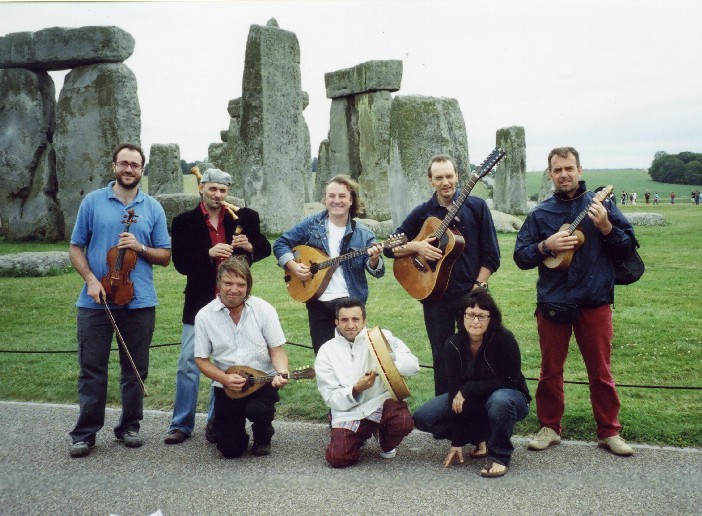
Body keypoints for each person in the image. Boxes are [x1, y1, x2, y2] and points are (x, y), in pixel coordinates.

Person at [513, 146, 637, 457]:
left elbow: (627, 248)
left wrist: (607, 227)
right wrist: (546, 245)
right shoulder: (540, 214)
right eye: (558, 170)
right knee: (550, 370)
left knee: (600, 371)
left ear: (579, 170)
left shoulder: (601, 205)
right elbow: (520, 256)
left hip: (594, 300)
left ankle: (609, 431)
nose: (564, 174)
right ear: (550, 174)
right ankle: (549, 428)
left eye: (569, 168)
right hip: (554, 302)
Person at [68, 143, 172, 458]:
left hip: (138, 302)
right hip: (95, 302)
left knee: (135, 370)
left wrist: (140, 248)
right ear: (114, 166)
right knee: (92, 368)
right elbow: (76, 248)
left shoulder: (152, 207)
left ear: (142, 169)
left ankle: (130, 427)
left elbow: (165, 256)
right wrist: (90, 280)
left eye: (135, 165)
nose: (129, 170)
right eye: (123, 164)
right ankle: (85, 433)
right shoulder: (93, 202)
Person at [165, 168, 271, 445]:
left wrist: (248, 246)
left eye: (223, 190)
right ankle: (181, 423)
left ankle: (216, 420)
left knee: (225, 362)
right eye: (212, 189)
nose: (218, 195)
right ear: (201, 188)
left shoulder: (243, 218)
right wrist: (208, 254)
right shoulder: (184, 221)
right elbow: (180, 263)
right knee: (189, 362)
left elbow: (264, 248)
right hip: (201, 301)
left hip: (235, 302)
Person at [385, 155, 500, 395]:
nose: (445, 182)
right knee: (441, 356)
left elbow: (491, 255)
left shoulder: (477, 207)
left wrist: (478, 285)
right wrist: (417, 246)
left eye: (449, 176)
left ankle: (472, 412)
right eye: (439, 177)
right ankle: (444, 413)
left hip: (470, 295)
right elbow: (389, 247)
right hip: (434, 297)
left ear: (457, 176)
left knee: (475, 353)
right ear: (430, 181)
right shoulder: (423, 213)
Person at [413, 291, 531, 478]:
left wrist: (467, 389)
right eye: (470, 315)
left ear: (491, 318)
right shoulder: (453, 344)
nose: (475, 321)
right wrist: (457, 441)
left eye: (482, 316)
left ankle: (499, 456)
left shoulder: (504, 339)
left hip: (510, 398)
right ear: (462, 317)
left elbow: (509, 381)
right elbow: (454, 393)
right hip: (474, 402)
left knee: (499, 400)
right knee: (423, 417)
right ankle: (480, 436)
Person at [274, 175, 384, 354]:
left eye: (342, 196)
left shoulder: (364, 234)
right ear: (325, 199)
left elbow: (378, 271)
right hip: (318, 301)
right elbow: (280, 244)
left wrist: (373, 259)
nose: (336, 201)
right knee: (324, 357)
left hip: (350, 302)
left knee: (354, 356)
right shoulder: (312, 224)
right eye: (331, 196)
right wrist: (293, 266)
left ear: (351, 200)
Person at [194, 256, 290, 459]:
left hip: (262, 381)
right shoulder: (204, 316)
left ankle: (263, 435)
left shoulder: (264, 310)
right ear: (219, 283)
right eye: (228, 283)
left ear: (248, 286)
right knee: (230, 450)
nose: (234, 290)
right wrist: (224, 378)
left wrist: (281, 373)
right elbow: (201, 360)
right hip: (227, 386)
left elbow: (277, 349)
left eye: (241, 284)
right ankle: (227, 427)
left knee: (258, 410)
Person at [314, 297, 420, 468]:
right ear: (336, 322)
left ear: (364, 321)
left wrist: (388, 356)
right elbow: (330, 397)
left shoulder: (380, 336)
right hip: (348, 412)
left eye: (355, 319)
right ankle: (360, 434)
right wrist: (356, 389)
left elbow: (413, 366)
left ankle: (385, 440)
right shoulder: (327, 351)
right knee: (338, 459)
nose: (350, 325)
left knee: (403, 422)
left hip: (381, 402)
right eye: (344, 320)